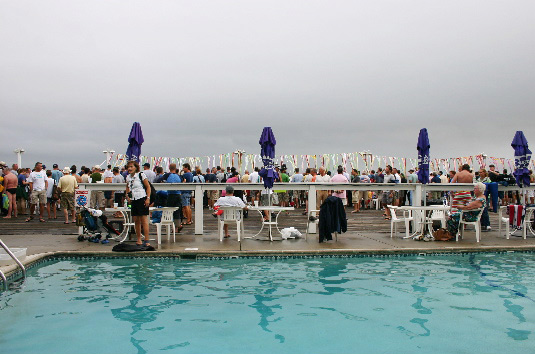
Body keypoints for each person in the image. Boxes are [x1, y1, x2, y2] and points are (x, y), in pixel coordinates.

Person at [125, 160, 151, 246]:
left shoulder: (141, 175)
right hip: (133, 199)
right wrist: (128, 196)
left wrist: (148, 198)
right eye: (129, 167)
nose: (130, 168)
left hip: (141, 198)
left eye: (131, 167)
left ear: (136, 167)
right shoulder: (128, 177)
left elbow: (148, 187)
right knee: (136, 220)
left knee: (144, 219)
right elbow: (127, 187)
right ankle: (139, 239)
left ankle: (146, 240)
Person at [166, 164, 183, 232]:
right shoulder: (178, 176)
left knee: (169, 211)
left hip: (171, 195)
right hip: (178, 195)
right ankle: (177, 226)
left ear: (169, 168)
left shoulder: (168, 176)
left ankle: (171, 226)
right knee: (177, 211)